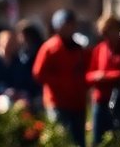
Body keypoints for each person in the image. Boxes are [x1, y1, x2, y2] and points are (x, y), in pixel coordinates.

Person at [33, 9, 88, 147]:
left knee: (78, 140)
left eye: (71, 24)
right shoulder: (50, 47)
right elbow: (38, 73)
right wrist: (60, 83)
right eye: (66, 24)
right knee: (60, 139)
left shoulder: (78, 48)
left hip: (77, 103)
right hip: (57, 102)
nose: (69, 28)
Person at [87, 14, 120, 139]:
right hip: (101, 100)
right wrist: (99, 76)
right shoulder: (99, 49)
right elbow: (89, 75)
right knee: (98, 138)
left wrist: (105, 76)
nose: (107, 36)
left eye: (109, 31)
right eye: (104, 33)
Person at [0, 29, 34, 105]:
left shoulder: (18, 62)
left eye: (13, 42)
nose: (12, 44)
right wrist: (4, 91)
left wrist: (21, 92)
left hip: (16, 99)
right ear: (1, 42)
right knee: (6, 102)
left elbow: (25, 82)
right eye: (9, 42)